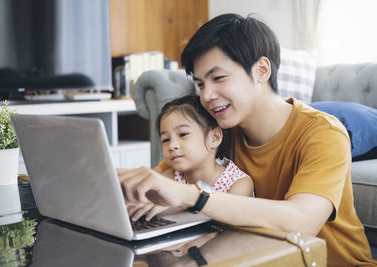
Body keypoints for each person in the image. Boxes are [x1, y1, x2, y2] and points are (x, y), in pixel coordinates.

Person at [118, 14, 377, 266]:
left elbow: (302, 221)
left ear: (261, 70)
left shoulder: (323, 133)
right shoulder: (218, 130)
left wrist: (191, 196)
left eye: (218, 78)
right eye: (200, 84)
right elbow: (161, 180)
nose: (207, 95)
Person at [128, 94, 253, 222]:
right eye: (165, 140)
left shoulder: (239, 183)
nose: (172, 145)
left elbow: (230, 222)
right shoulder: (172, 176)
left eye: (183, 134)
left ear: (214, 138)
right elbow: (144, 196)